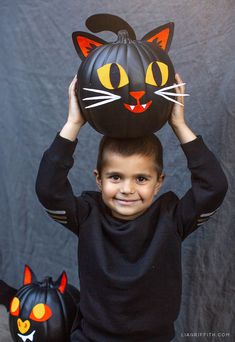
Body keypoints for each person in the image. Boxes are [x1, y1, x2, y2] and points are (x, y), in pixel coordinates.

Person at [35, 74, 228, 342]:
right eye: (116, 177)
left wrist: (179, 124)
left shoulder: (172, 218)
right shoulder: (87, 215)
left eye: (141, 179)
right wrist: (73, 123)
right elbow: (48, 190)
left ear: (159, 183)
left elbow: (214, 187)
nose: (127, 189)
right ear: (98, 179)